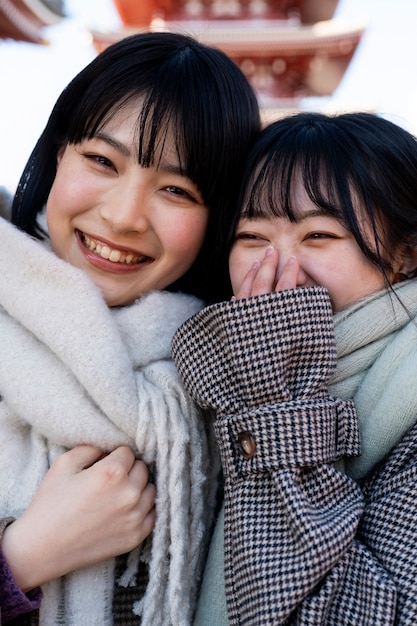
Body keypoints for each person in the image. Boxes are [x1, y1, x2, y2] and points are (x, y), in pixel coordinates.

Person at [0, 31, 261, 625]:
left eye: (175, 189)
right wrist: (24, 557)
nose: (122, 216)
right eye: (101, 161)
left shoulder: (232, 388)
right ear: (56, 156)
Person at [172, 111, 417, 625]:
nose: (281, 267)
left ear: (404, 254)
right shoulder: (210, 379)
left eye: (319, 236)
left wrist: (276, 406)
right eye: (252, 237)